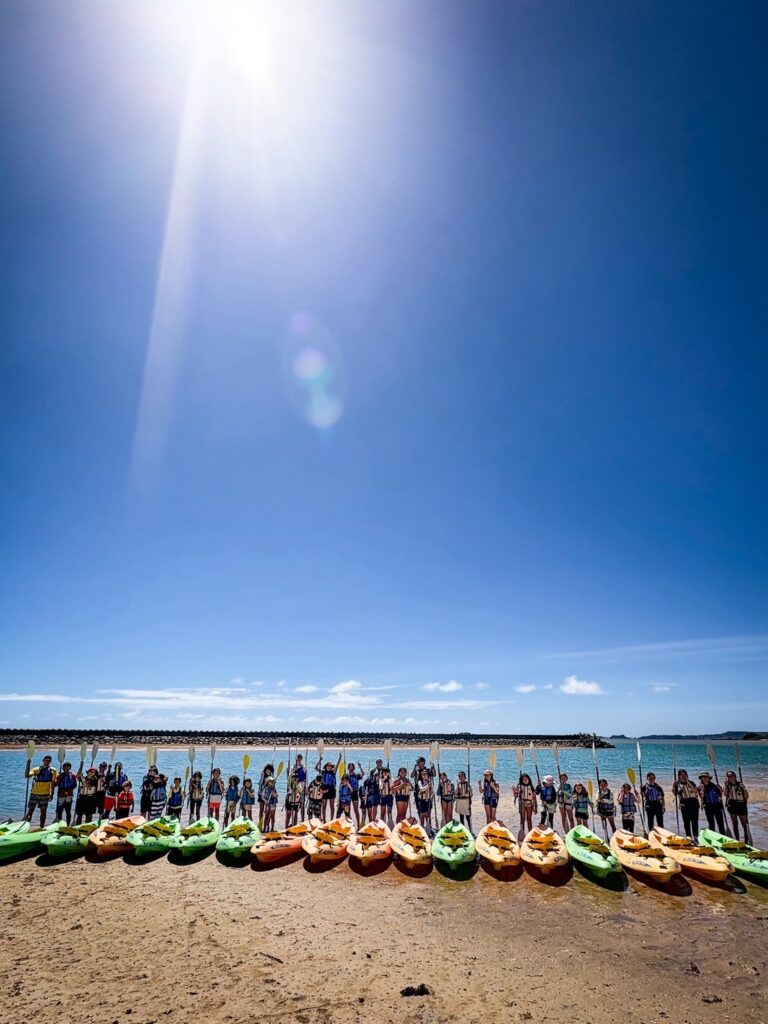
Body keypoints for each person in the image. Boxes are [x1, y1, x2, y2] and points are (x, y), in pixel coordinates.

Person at [24, 754, 58, 827]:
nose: (47, 762)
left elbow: (53, 783)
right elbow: (27, 775)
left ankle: (41, 827)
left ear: (50, 762)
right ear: (43, 761)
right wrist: (28, 765)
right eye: (46, 760)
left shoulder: (53, 770)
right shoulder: (36, 769)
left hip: (45, 794)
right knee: (30, 811)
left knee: (43, 812)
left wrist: (52, 794)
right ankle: (26, 825)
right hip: (34, 793)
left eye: (49, 761)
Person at [723, 771, 751, 844]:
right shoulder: (727, 785)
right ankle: (737, 840)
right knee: (735, 824)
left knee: (744, 824)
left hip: (741, 805)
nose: (730, 778)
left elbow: (746, 796)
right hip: (732, 804)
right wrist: (725, 786)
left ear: (735, 776)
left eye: (732, 776)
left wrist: (744, 788)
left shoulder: (740, 784)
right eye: (728, 776)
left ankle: (746, 841)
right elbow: (725, 795)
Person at [672, 769, 700, 839]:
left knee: (694, 821)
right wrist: (674, 789)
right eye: (681, 775)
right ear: (679, 776)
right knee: (686, 821)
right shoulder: (676, 784)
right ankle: (688, 837)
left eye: (684, 774)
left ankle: (696, 837)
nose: (683, 776)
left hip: (693, 803)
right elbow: (675, 793)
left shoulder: (691, 782)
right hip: (684, 803)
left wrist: (688, 782)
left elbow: (696, 791)